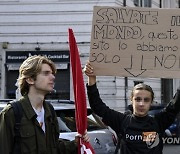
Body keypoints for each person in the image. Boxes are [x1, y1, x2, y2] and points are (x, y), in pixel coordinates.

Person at [84, 61, 180, 154]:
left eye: (146, 100)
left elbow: (175, 105)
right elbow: (98, 107)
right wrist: (91, 78)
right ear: (131, 100)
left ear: (151, 102)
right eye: (138, 99)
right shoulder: (121, 121)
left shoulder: (159, 121)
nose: (141, 104)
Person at [0, 55, 89, 154]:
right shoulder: (12, 112)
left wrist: (75, 143)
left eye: (52, 73)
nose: (53, 77)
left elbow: (54, 147)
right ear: (30, 79)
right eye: (46, 73)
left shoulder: (49, 110)